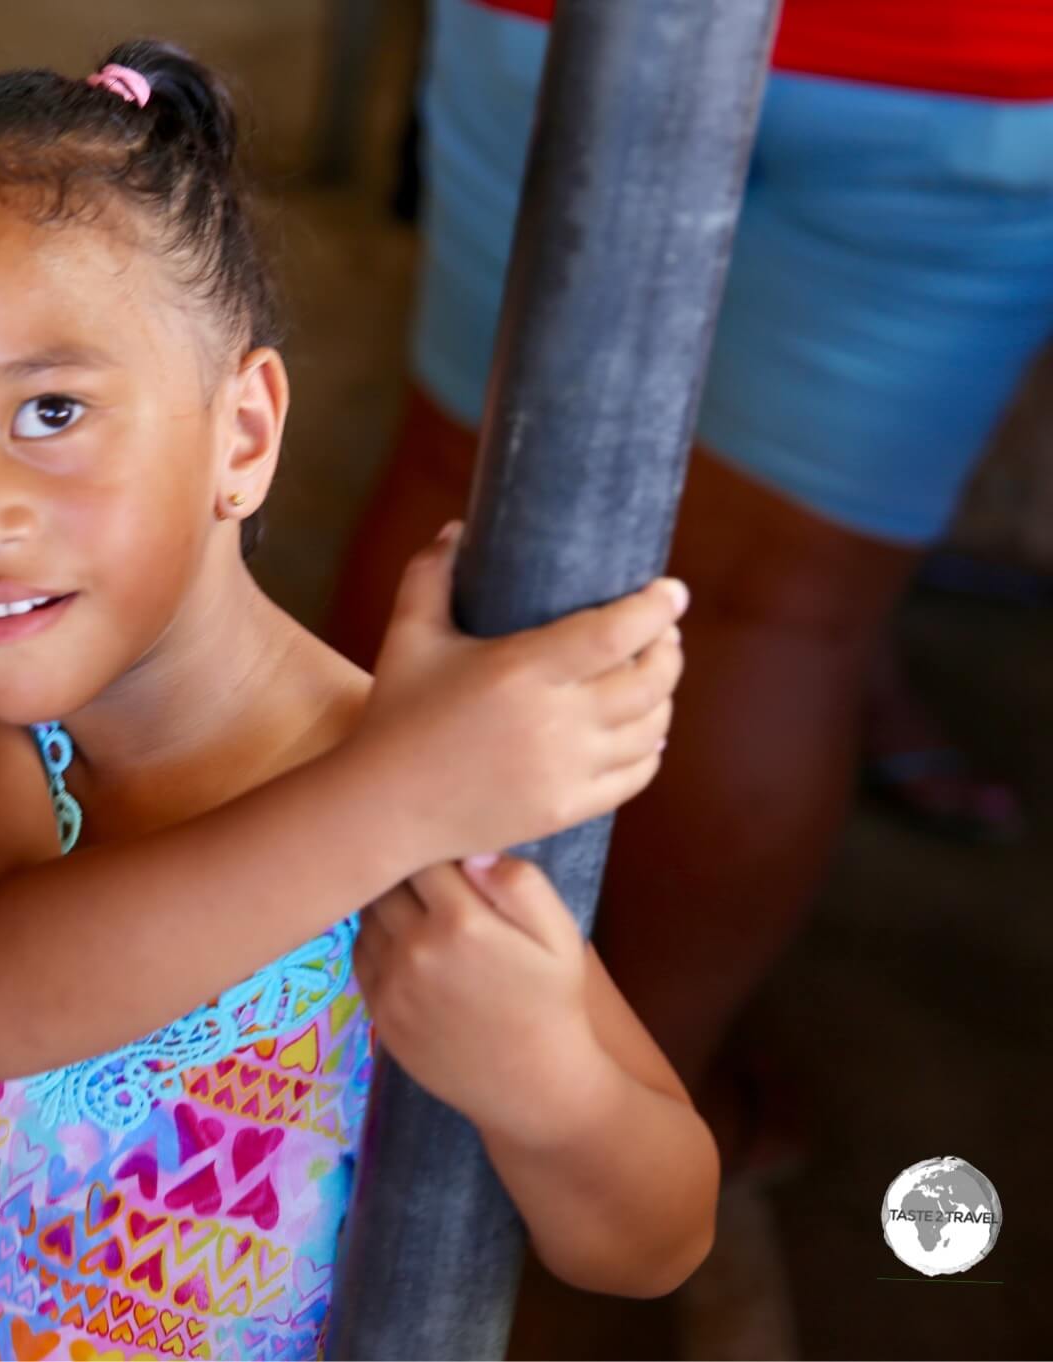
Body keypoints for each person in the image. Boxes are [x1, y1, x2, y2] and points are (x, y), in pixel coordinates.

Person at [0, 39, 712, 1361]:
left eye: (50, 410)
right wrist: (409, 790)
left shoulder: (429, 802)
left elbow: (656, 1234)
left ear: (243, 436)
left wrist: (543, 1081)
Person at [326, 0, 1053, 1185]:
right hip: (961, 67)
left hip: (564, 24)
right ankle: (628, 1109)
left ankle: (332, 1049)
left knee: (456, 484)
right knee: (778, 614)